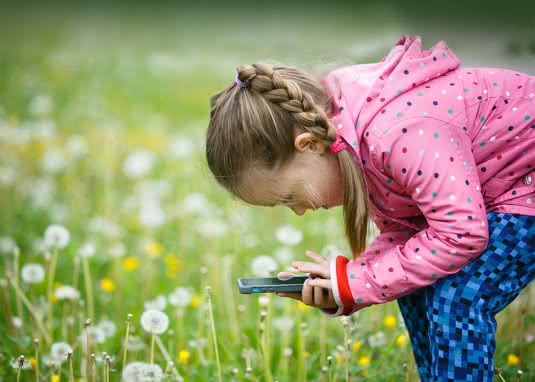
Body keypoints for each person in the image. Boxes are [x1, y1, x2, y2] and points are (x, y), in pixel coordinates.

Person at [205, 34, 535, 381]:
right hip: (498, 193)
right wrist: (345, 287)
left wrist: (359, 280)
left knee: (458, 297)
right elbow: (412, 232)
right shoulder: (353, 139)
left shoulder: (396, 134)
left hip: (525, 183)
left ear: (310, 145)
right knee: (417, 284)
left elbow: (460, 233)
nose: (299, 210)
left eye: (289, 197)